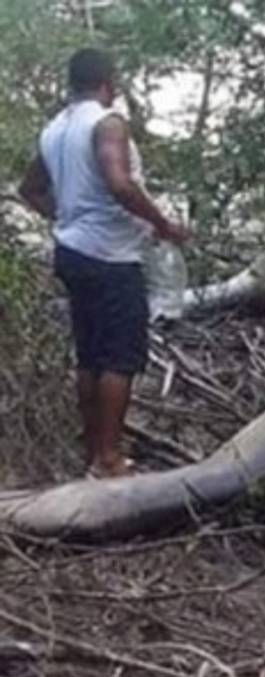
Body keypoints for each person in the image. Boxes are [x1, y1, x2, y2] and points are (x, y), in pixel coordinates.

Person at [18, 47, 189, 479]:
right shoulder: (107, 122)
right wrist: (163, 223)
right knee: (119, 357)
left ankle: (93, 452)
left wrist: (67, 216)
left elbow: (30, 189)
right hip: (111, 257)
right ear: (107, 83)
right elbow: (119, 182)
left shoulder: (54, 129)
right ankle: (110, 460)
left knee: (91, 356)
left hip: (72, 253)